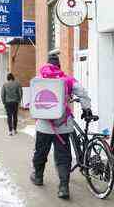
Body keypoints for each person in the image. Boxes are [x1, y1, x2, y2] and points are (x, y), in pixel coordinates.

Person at [30, 54, 92, 200]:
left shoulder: (38, 79)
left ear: (46, 65)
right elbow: (83, 93)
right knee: (63, 156)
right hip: (63, 125)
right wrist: (86, 109)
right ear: (59, 66)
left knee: (40, 152)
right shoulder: (68, 79)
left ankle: (38, 176)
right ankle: (64, 187)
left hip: (44, 125)